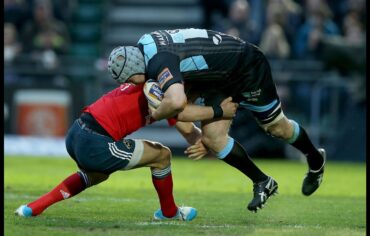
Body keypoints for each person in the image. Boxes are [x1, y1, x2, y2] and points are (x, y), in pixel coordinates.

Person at [107, 28, 327, 212]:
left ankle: (315, 159)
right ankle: (263, 181)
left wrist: (156, 114)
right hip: (217, 75)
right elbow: (179, 111)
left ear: (135, 69)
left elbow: (176, 105)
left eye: (129, 80)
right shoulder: (145, 44)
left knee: (277, 128)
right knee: (212, 138)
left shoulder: (158, 63)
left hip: (245, 67)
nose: (133, 84)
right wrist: (197, 136)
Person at [14, 82, 238, 220]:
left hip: (76, 132)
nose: (192, 101)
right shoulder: (165, 95)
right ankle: (169, 212)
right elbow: (191, 132)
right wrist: (216, 132)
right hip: (95, 141)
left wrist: (206, 142)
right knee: (162, 156)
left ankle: (32, 208)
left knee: (96, 175)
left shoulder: (159, 88)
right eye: (194, 96)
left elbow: (188, 131)